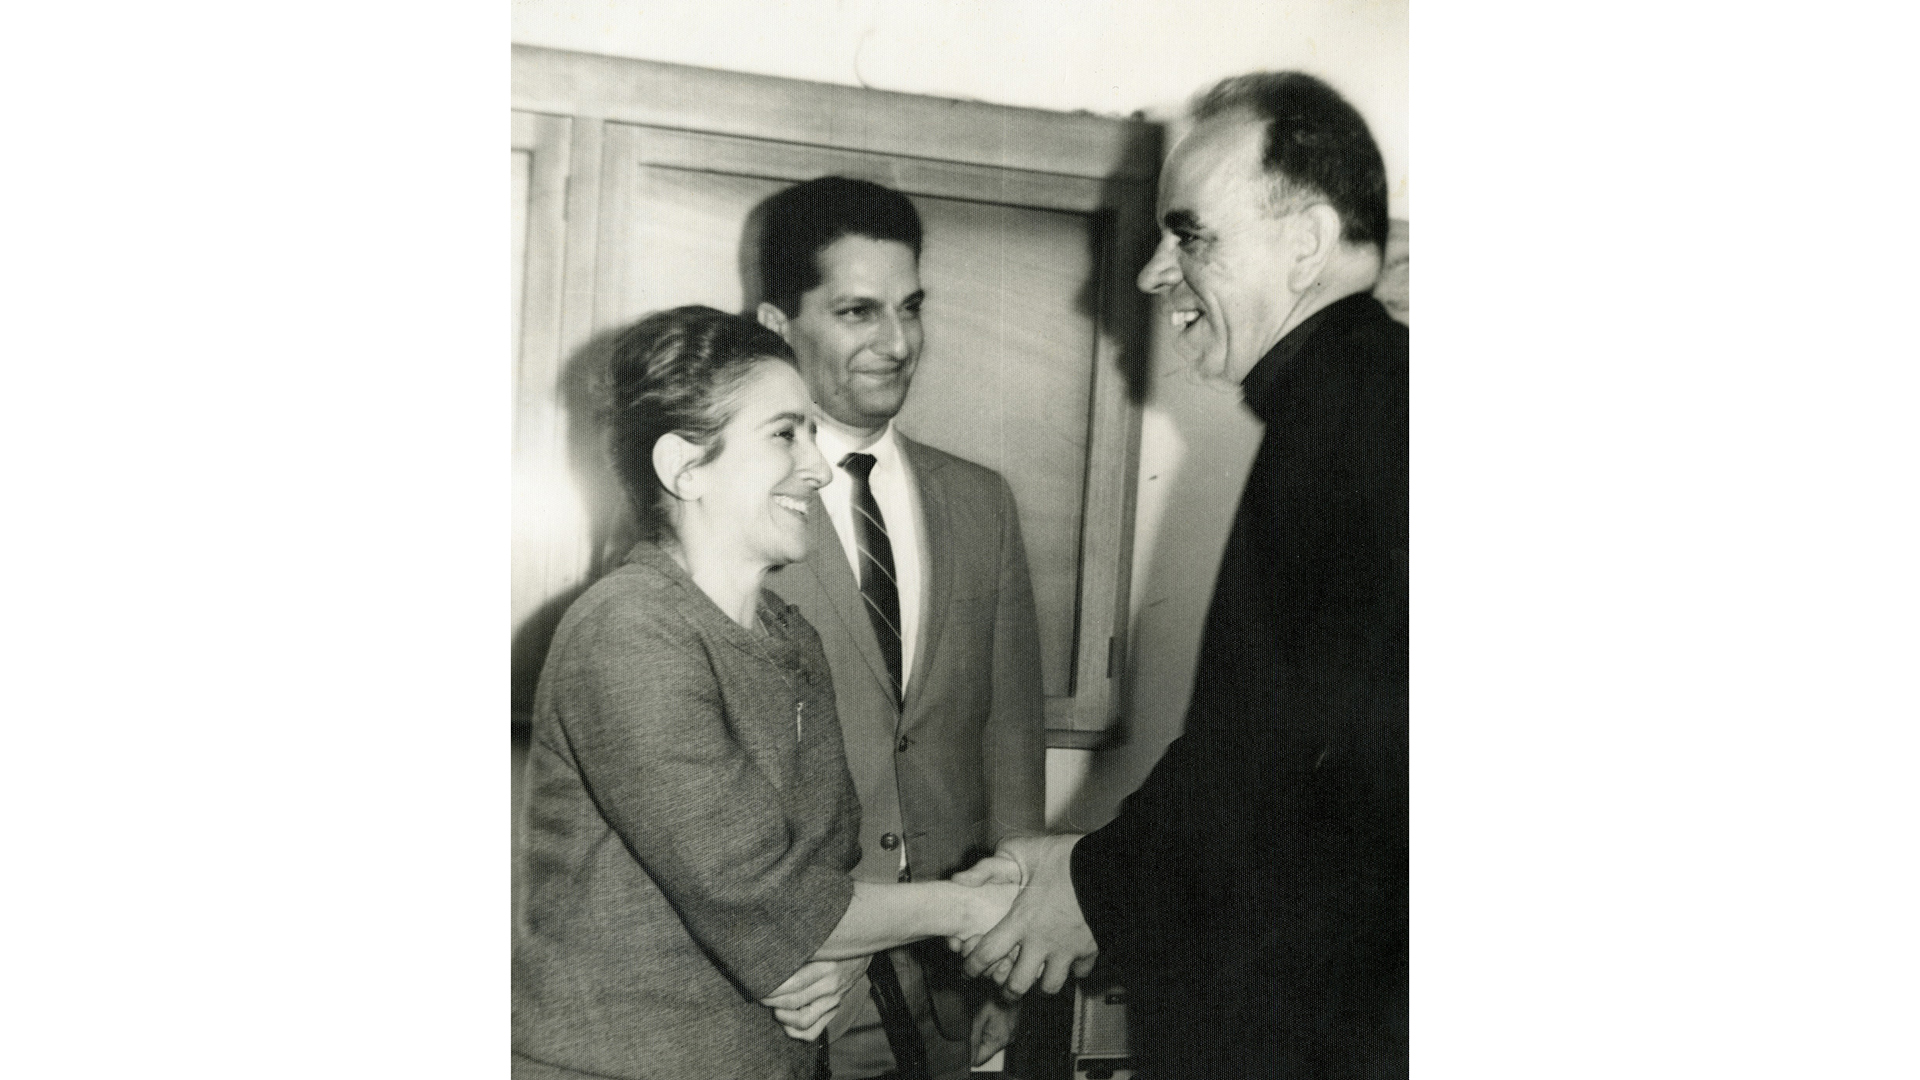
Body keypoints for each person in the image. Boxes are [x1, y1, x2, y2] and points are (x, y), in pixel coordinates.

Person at [955, 73, 1409, 1078]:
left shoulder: (1350, 418)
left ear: (1306, 243)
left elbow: (1289, 761)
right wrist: (1089, 866)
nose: (1155, 271)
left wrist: (1095, 884)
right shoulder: (1359, 398)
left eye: (1190, 235)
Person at [511, 306, 1018, 1080]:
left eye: (812, 434)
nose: (818, 468)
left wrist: (841, 960)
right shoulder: (627, 632)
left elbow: (826, 879)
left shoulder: (788, 634)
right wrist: (978, 905)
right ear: (685, 467)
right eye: (785, 434)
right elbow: (764, 897)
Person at [752, 177, 1048, 1080]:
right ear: (777, 325)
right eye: (858, 312)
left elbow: (1009, 744)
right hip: (790, 990)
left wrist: (1008, 955)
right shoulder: (730, 510)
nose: (898, 342)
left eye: (911, 307)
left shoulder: (982, 503)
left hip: (949, 984)